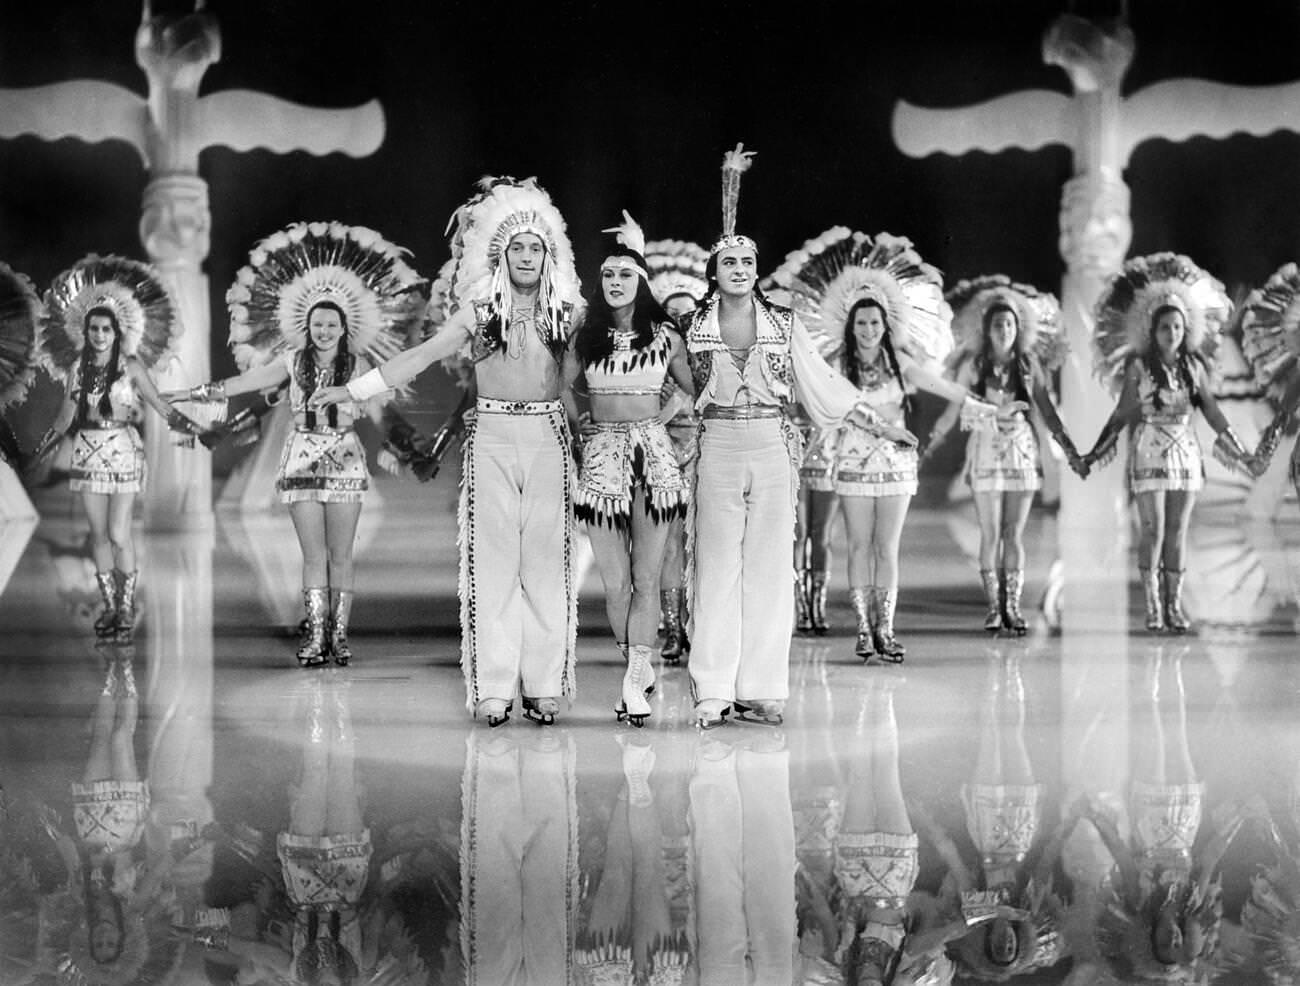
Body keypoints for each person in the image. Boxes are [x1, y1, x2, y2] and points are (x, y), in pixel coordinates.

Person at [317, 177, 583, 726]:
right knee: (493, 563)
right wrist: (356, 389)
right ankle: (493, 688)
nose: (528, 256)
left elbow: (589, 375)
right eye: (518, 247)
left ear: (549, 253)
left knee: (546, 563)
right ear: (501, 254)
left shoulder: (569, 313)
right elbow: (418, 358)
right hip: (490, 435)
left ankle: (543, 685)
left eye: (536, 247)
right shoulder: (478, 313)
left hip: (549, 437)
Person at [684, 146, 916, 728]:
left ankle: (760, 689)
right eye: (729, 262)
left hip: (770, 446)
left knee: (768, 569)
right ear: (715, 272)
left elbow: (827, 387)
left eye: (746, 262)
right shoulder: (695, 328)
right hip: (716, 446)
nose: (739, 269)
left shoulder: (783, 327)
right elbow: (673, 392)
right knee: (715, 566)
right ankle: (712, 689)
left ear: (756, 270)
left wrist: (882, 424)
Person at [170, 221, 423, 667]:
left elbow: (382, 414)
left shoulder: (360, 364)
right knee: (311, 555)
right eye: (317, 324)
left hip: (344, 459)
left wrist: (410, 447)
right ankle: (314, 637)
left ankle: (338, 638)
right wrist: (192, 394)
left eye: (331, 324)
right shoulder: (290, 361)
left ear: (344, 328)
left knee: (340, 554)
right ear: (306, 327)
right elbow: (243, 383)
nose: (324, 330)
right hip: (303, 458)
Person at [768, 228, 1011, 663]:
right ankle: (863, 630)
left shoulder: (902, 365)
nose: (867, 330)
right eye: (861, 323)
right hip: (852, 465)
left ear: (886, 324)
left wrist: (988, 408)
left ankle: (887, 629)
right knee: (859, 546)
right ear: (850, 325)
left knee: (887, 548)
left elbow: (945, 388)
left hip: (897, 467)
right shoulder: (836, 366)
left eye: (874, 323)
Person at [1080, 254, 1259, 634]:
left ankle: (1174, 606)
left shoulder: (1193, 367)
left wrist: (1241, 450)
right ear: (1152, 329)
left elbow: (1210, 411)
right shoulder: (1140, 367)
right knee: (1154, 530)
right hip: (1149, 451)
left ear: (1186, 329)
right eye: (1165, 327)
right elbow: (1122, 412)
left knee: (1178, 530)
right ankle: (1153, 606)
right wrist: (1094, 453)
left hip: (1186, 454)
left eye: (1177, 326)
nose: (1172, 333)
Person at [565, 214, 693, 726]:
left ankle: (633, 680)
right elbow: (561, 393)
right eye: (609, 275)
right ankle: (636, 668)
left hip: (655, 463)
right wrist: (582, 430)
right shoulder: (585, 336)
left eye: (625, 274)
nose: (616, 282)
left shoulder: (666, 335)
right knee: (615, 583)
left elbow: (694, 386)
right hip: (600, 466)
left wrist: (662, 418)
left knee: (646, 577)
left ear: (641, 283)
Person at [31, 255, 197, 643]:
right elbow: (64, 417)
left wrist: (193, 427)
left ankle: (125, 606)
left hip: (122, 449)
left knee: (120, 533)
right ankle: (110, 607)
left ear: (117, 331)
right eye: (94, 328)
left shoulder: (132, 366)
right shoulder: (77, 369)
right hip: (88, 451)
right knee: (98, 535)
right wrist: (38, 451)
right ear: (85, 331)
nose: (100, 335)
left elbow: (158, 405)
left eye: (106, 329)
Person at [929, 277, 1083, 635]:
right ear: (987, 329)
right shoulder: (974, 366)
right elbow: (955, 409)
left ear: (1019, 328)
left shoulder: (1028, 365)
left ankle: (1012, 606)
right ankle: (994, 606)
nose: (1004, 330)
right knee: (990, 533)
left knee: (1013, 533)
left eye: (1010, 323)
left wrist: (1071, 451)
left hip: (1020, 453)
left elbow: (1046, 411)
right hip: (984, 451)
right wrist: (931, 441)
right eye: (998, 324)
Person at [645, 237, 712, 662]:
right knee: (669, 546)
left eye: (688, 312)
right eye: (672, 313)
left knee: (704, 545)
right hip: (663, 455)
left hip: (707, 457)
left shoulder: (711, 359)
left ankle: (700, 626)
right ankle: (672, 629)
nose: (681, 318)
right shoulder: (653, 359)